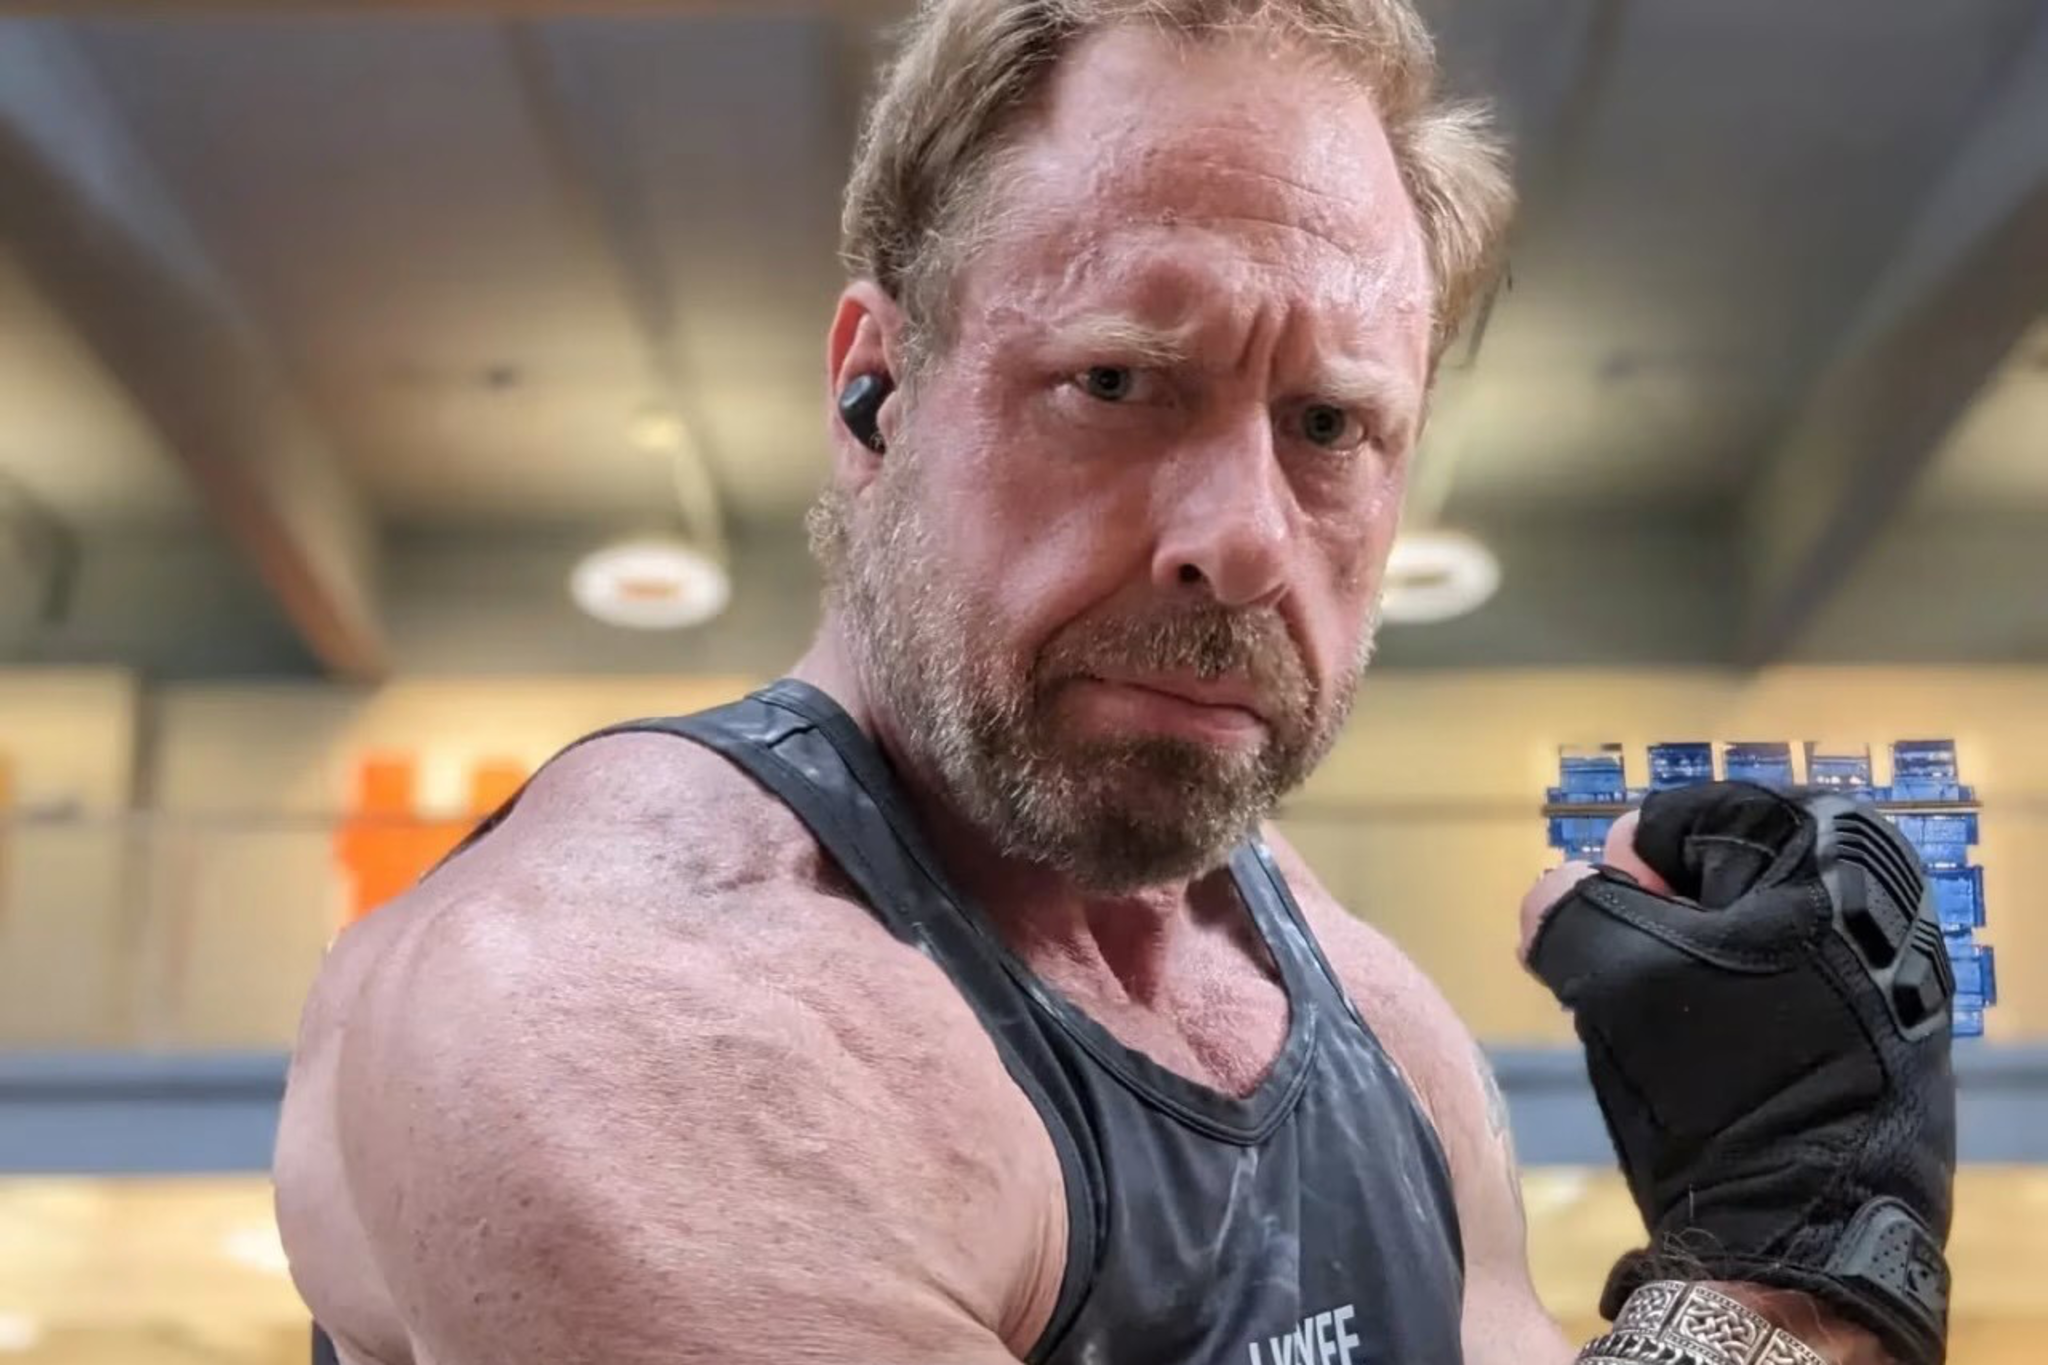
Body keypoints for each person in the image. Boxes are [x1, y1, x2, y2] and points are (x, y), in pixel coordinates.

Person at [275, 3, 1957, 1363]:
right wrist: (1778, 1308)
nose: (1238, 540)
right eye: (1118, 381)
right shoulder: (627, 999)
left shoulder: (1357, 1010)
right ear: (877, 391)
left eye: (1328, 426)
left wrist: (1776, 1231)